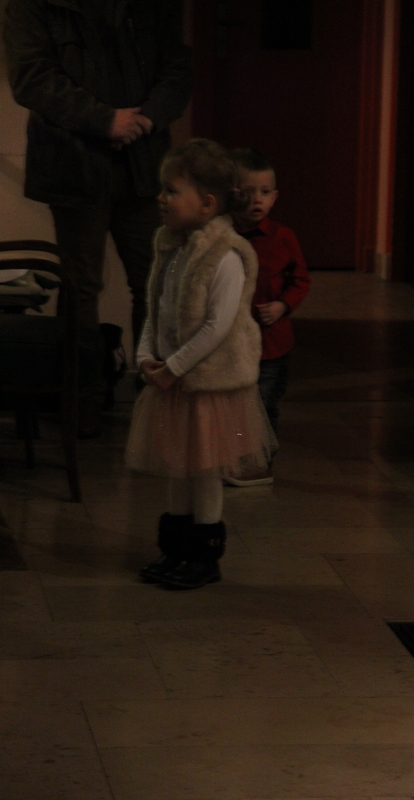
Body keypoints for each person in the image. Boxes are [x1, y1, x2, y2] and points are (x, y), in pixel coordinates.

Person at [3, 0, 193, 437]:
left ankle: (154, 397)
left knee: (156, 283)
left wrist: (145, 120)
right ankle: (82, 396)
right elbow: (32, 77)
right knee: (81, 287)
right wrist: (103, 120)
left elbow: (177, 68)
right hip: (72, 164)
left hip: (144, 166)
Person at [125, 139, 277, 590]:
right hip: (173, 379)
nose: (161, 198)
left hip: (208, 384)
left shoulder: (226, 254)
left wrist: (173, 367)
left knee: (205, 469)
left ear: (207, 203)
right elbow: (156, 307)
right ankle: (176, 548)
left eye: (172, 190)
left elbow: (217, 326)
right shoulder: (171, 246)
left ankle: (203, 557)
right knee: (179, 465)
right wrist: (145, 355)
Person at [226, 147, 311, 486]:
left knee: (264, 402)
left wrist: (283, 305)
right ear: (232, 194)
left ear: (274, 197)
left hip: (271, 343)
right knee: (233, 402)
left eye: (264, 192)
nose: (256, 200)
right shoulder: (222, 236)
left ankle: (261, 460)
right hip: (232, 341)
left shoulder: (282, 237)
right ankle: (234, 456)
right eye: (247, 192)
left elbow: (300, 279)